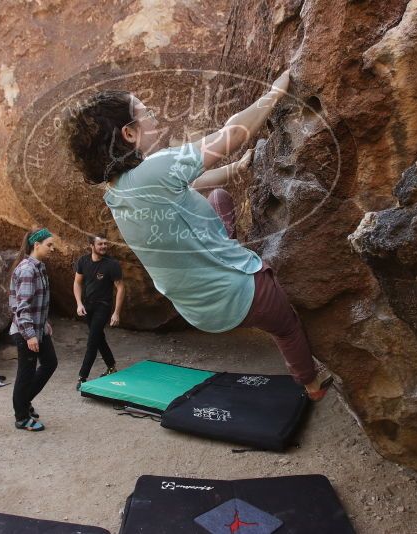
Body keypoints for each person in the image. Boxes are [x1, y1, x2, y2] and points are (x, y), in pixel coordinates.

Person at [64, 69, 333, 400]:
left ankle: (225, 250)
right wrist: (275, 93)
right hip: (239, 294)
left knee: (219, 199)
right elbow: (231, 136)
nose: (153, 117)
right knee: (287, 326)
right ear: (129, 134)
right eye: (145, 112)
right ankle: (311, 385)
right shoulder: (155, 169)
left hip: (196, 308)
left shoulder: (118, 191)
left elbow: (185, 185)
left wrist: (236, 169)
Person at [9, 228, 59, 431]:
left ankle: (24, 401)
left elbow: (38, 302)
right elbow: (22, 307)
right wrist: (30, 335)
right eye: (49, 244)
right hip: (25, 332)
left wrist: (44, 323)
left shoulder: (39, 267)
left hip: (38, 328)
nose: (52, 248)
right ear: (36, 245)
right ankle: (21, 417)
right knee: (25, 374)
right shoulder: (28, 270)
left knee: (50, 363)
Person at [73, 233, 125, 390]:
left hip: (103, 306)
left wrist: (116, 312)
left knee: (92, 341)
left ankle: (83, 377)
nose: (104, 246)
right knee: (99, 338)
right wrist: (79, 303)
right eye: (100, 244)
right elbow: (77, 283)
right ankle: (111, 366)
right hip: (88, 307)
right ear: (92, 246)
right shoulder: (83, 261)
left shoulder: (112, 264)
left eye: (105, 244)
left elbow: (121, 287)